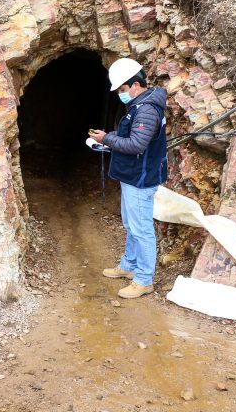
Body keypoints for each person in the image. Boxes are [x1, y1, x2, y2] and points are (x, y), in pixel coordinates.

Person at [90, 58, 167, 299]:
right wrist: (110, 137)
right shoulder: (139, 105)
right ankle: (129, 265)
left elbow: (136, 144)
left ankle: (144, 280)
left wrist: (106, 140)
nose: (121, 95)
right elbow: (130, 135)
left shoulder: (146, 109)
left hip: (140, 178)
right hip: (133, 176)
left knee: (141, 229)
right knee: (130, 224)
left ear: (135, 84)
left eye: (122, 90)